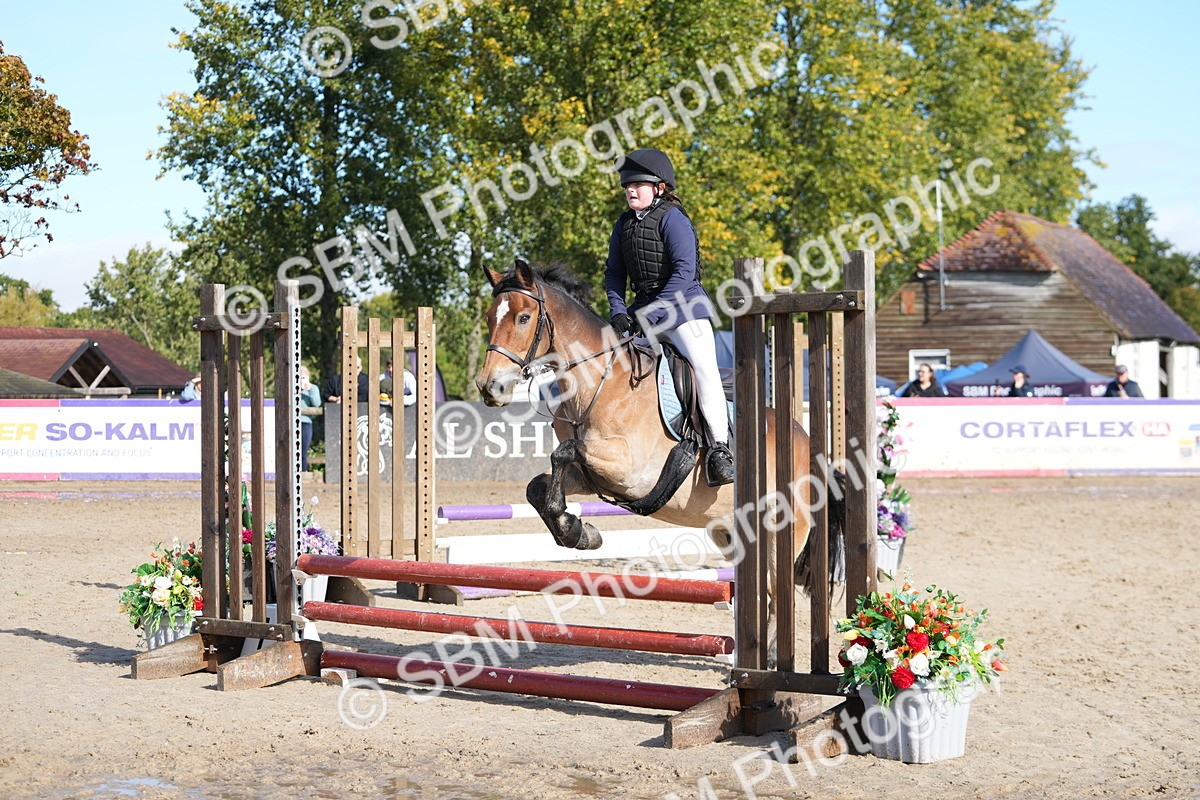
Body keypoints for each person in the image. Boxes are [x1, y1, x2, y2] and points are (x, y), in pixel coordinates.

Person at [604, 148, 733, 487]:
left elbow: (684, 273)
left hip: (684, 308)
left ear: (659, 187)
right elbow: (614, 274)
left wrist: (649, 312)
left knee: (704, 370)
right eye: (627, 186)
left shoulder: (673, 219)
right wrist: (618, 313)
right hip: (643, 311)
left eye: (638, 185)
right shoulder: (623, 225)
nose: (630, 190)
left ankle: (720, 449)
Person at [298, 366, 322, 471]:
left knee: (303, 451)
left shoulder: (313, 388)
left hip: (305, 422)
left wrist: (310, 389)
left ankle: (302, 473)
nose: (301, 380)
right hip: (291, 422)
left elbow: (317, 404)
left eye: (303, 377)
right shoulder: (291, 387)